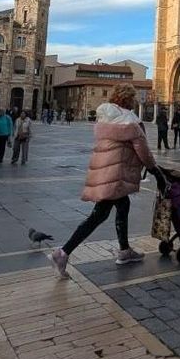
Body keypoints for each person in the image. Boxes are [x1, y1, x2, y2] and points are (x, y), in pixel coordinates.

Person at [50, 84, 158, 270]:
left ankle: (124, 250)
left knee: (122, 205)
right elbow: (143, 150)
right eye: (132, 97)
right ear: (127, 99)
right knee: (98, 215)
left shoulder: (106, 118)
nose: (134, 101)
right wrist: (153, 168)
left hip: (104, 171)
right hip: (116, 174)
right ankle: (63, 253)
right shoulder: (130, 121)